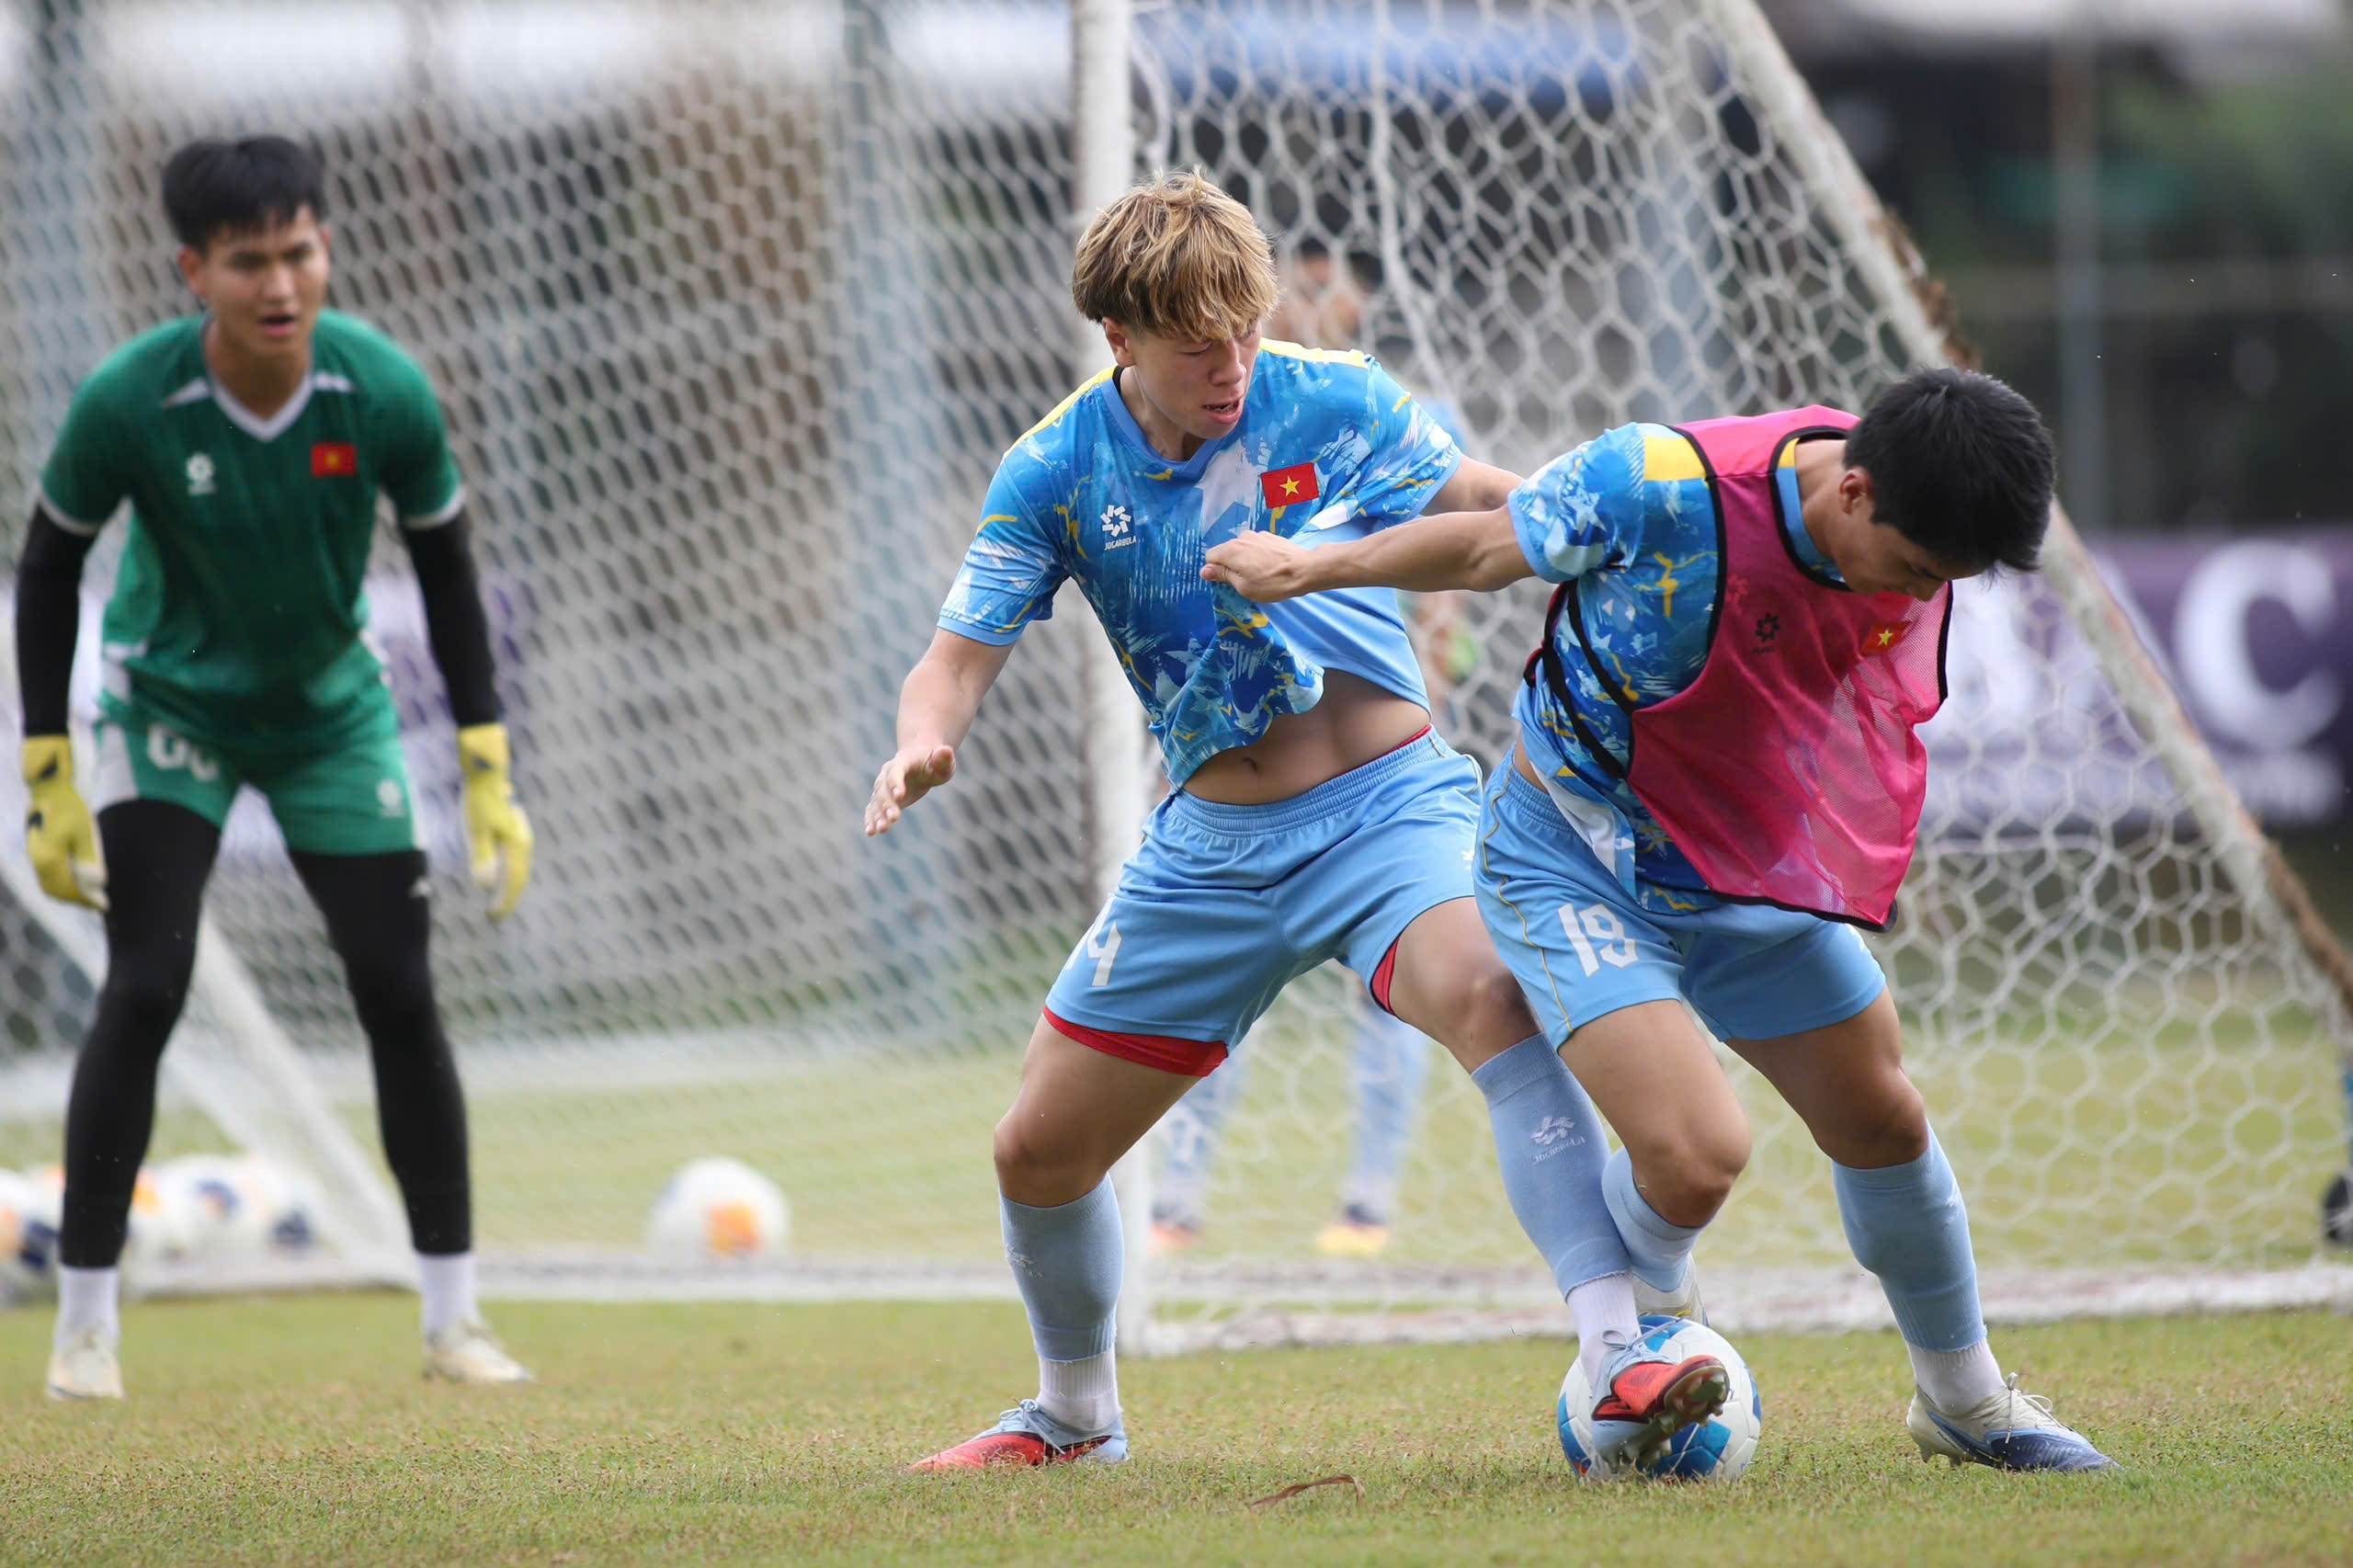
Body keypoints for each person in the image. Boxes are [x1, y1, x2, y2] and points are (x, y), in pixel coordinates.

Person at [868, 170, 1729, 1474]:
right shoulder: (1052, 467)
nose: (1231, 366)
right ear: (1121, 339)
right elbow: (955, 657)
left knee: (1491, 993)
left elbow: (1500, 501)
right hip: (1210, 851)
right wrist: (923, 736)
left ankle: (1619, 1351)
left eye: (1246, 332)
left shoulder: (1330, 395)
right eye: (1196, 344)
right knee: (1037, 1147)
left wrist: (1637, 519)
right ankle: (1073, 1416)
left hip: (1391, 814)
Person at [1202, 369, 2120, 1472]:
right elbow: (1488, 548)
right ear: (1856, 494)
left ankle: (1967, 1404)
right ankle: (1637, 1337)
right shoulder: (1663, 485)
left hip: (1742, 872)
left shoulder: (1906, 513)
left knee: (1882, 1117)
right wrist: (1308, 565)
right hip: (1575, 864)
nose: (1919, 595)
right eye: (1920, 570)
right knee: (1694, 1157)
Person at [16, 136, 535, 1400]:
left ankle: (453, 1322)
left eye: (299, 251)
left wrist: (484, 760)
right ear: (195, 269)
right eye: (248, 261)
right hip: (170, 707)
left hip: (329, 718)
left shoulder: (383, 389)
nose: (280, 283)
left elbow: (449, 568)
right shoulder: (130, 401)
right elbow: (46, 566)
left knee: (399, 989)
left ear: (326, 249)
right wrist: (47, 762)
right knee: (145, 982)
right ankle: (85, 1328)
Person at [1146, 244, 1474, 1263]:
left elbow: (1457, 541)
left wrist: (1437, 648)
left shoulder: (1370, 411)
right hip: (1231, 745)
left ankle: (1368, 1202)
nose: (1346, 301)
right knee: (1205, 985)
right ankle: (1173, 1200)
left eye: (1358, 288)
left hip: (1368, 760)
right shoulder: (1192, 416)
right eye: (1330, 280)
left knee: (1403, 983)